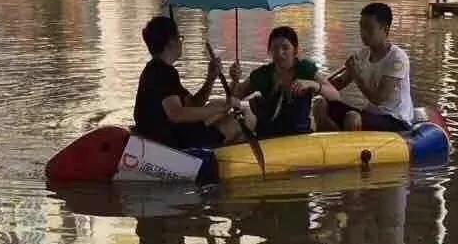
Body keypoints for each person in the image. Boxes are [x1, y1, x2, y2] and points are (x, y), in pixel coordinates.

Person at [134, 16, 242, 149]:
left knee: (216, 105)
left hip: (169, 135)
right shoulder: (163, 73)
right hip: (173, 146)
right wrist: (224, 107)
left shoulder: (156, 69)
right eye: (180, 38)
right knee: (245, 118)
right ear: (171, 42)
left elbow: (195, 103)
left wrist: (211, 78)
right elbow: (176, 114)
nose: (181, 42)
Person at [314, 3, 413, 132]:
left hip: (395, 120)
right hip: (372, 114)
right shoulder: (362, 54)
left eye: (369, 28)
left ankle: (346, 149)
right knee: (320, 104)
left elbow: (378, 99)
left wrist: (357, 76)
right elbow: (340, 83)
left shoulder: (398, 58)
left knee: (352, 117)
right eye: (361, 27)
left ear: (385, 29)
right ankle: (327, 144)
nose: (363, 33)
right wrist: (316, 84)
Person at [229, 26, 340, 138]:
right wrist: (234, 80)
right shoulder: (262, 74)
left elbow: (335, 96)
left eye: (285, 48)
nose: (279, 53)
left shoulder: (305, 69)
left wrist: (313, 85)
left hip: (300, 137)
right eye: (275, 48)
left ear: (295, 50)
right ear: (270, 51)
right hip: (267, 138)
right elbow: (235, 96)